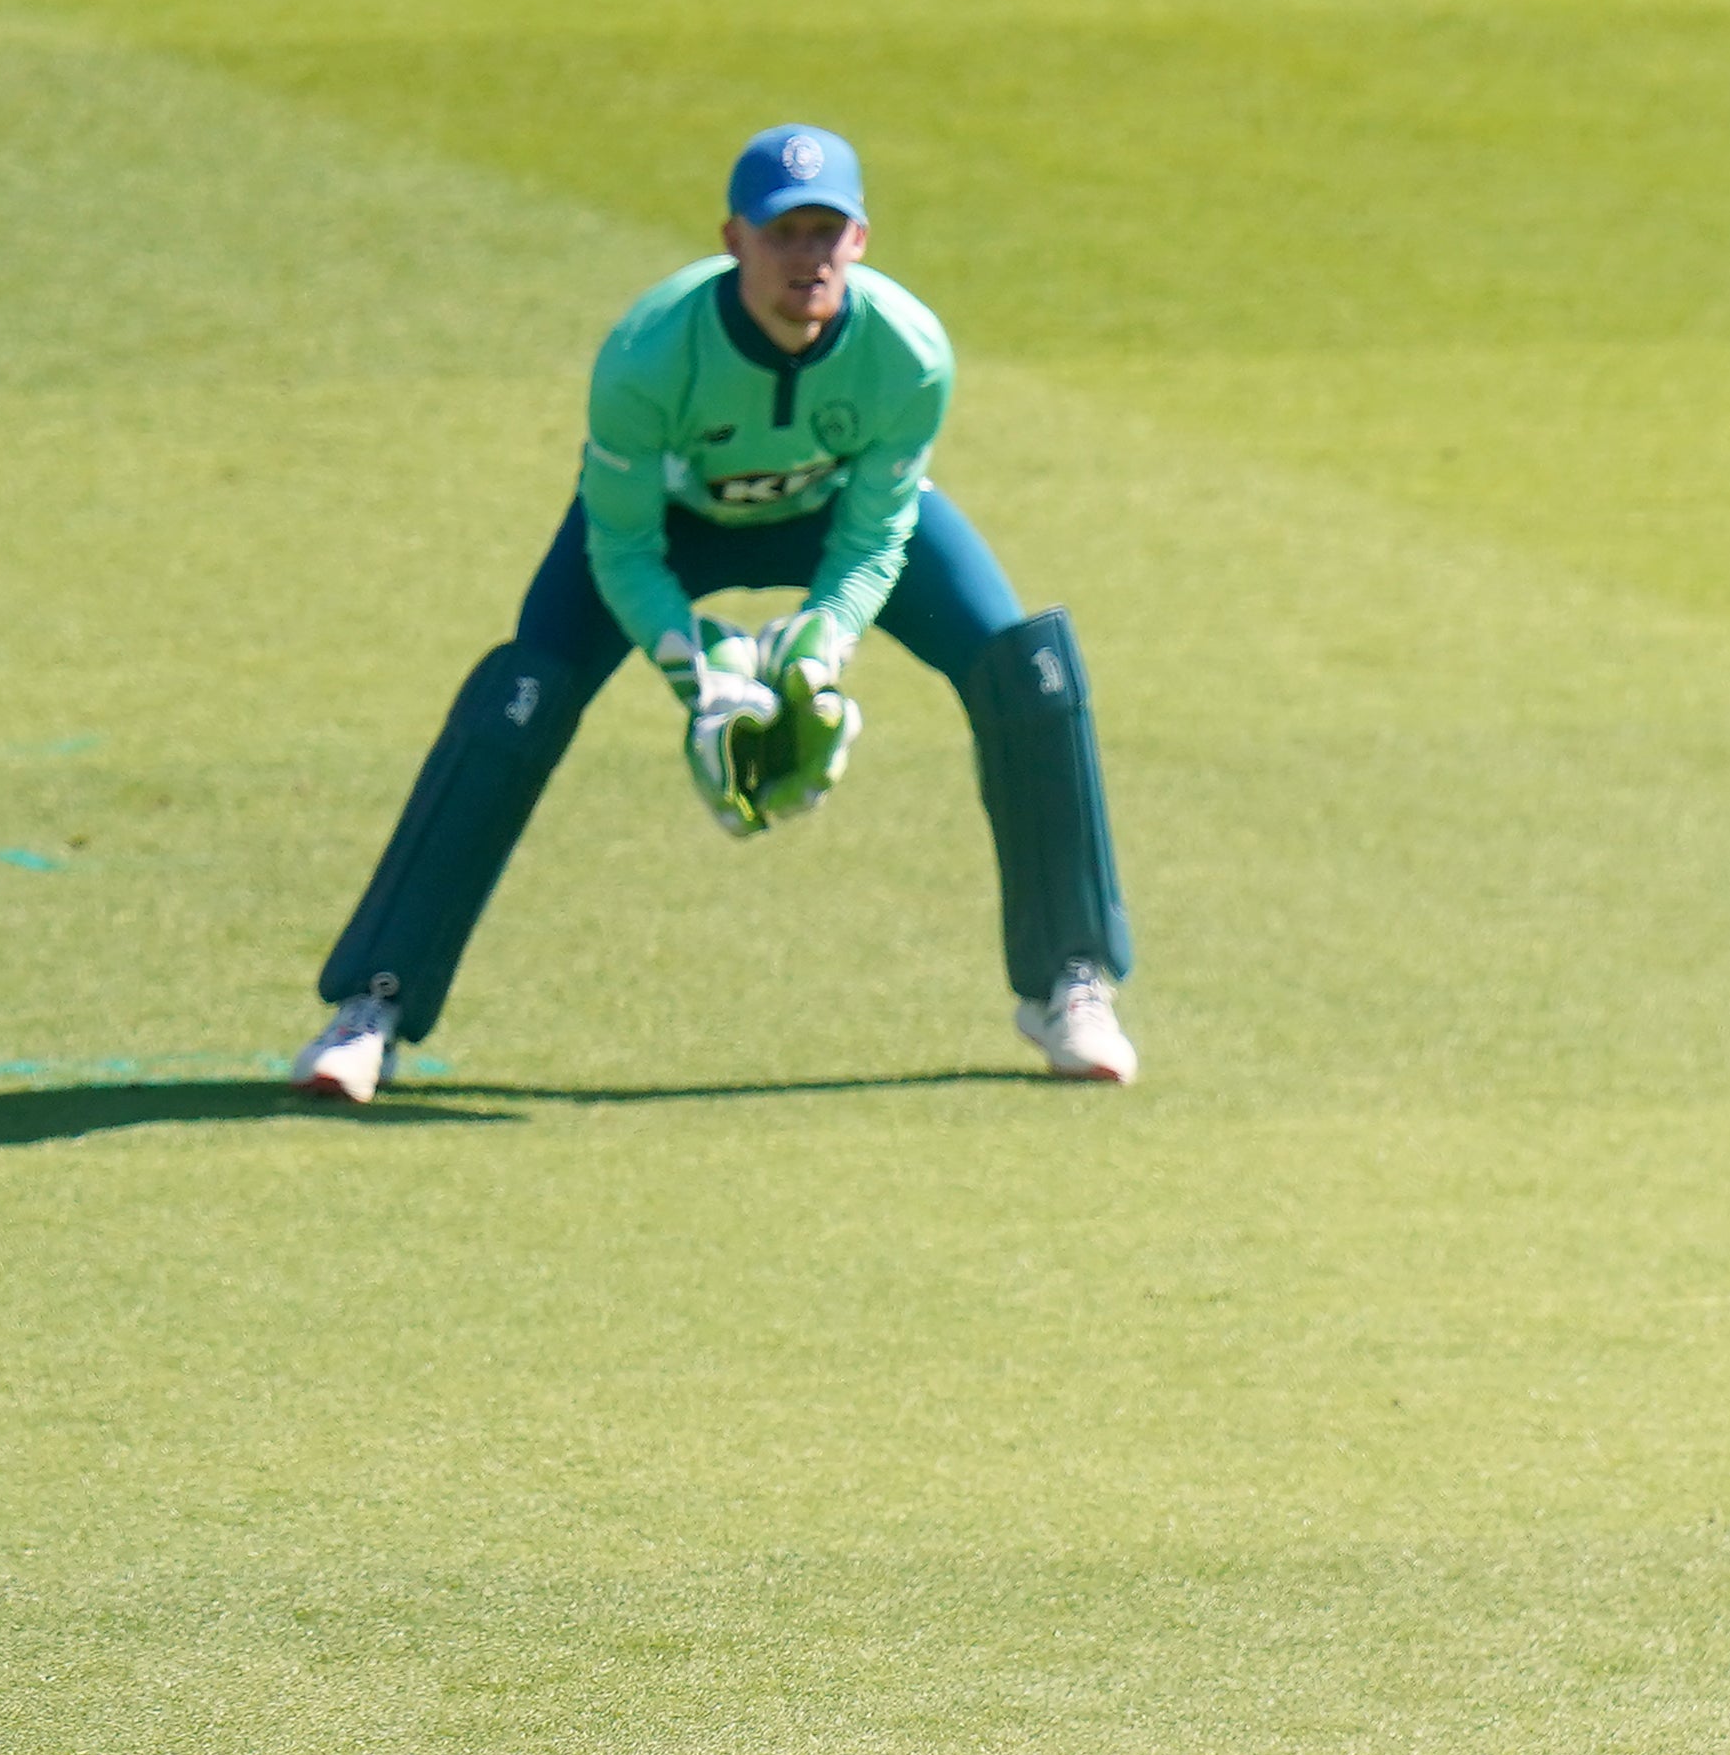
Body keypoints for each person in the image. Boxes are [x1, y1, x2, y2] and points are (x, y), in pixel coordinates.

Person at [287, 125, 1136, 1100]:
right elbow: (621, 547)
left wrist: (822, 644)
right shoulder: (649, 354)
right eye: (782, 235)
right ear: (735, 238)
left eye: (826, 233)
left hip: (827, 524)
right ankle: (374, 1005)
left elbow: (874, 534)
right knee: (519, 695)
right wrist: (698, 669)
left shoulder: (909, 353)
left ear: (860, 239)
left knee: (1028, 669)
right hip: (671, 530)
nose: (805, 257)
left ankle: (1070, 983)